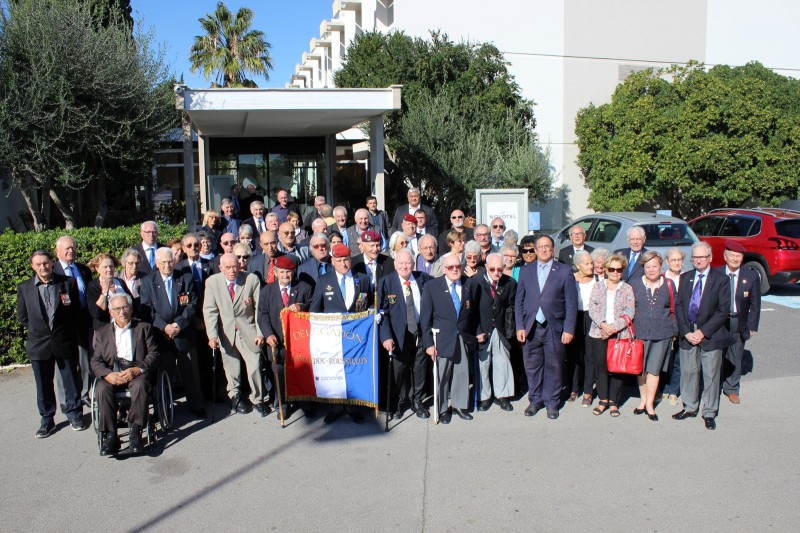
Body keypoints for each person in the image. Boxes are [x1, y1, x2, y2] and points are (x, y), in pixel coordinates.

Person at [17, 250, 86, 437]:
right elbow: (23, 317)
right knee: (43, 384)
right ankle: (47, 420)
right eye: (38, 264)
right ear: (33, 266)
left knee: (70, 380)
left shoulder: (67, 283)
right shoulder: (24, 288)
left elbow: (74, 313)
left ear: (51, 263)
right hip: (39, 344)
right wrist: (41, 331)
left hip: (63, 341)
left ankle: (74, 414)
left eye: (46, 263)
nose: (43, 267)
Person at [515, 235, 578, 420]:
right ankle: (535, 400)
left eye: (547, 247)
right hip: (531, 326)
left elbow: (571, 304)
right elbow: (519, 301)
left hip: (554, 326)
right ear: (534, 250)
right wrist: (520, 326)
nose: (543, 250)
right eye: (540, 247)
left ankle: (551, 402)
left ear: (553, 250)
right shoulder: (525, 271)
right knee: (532, 366)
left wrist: (569, 329)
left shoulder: (564, 271)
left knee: (554, 365)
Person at [309, 243, 373, 424]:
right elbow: (315, 310)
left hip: (355, 337)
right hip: (332, 337)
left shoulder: (363, 279)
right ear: (332, 261)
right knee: (334, 371)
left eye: (346, 260)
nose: (344, 264)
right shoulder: (324, 280)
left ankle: (353, 406)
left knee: (353, 370)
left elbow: (367, 305)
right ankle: (336, 406)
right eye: (339, 260)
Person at [139, 248, 206, 420]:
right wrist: (164, 327)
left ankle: (197, 405)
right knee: (163, 373)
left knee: (191, 372)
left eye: (170, 261)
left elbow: (192, 304)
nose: (167, 265)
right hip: (161, 336)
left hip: (183, 332)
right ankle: (163, 408)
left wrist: (178, 325)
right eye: (163, 262)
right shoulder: (147, 281)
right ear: (156, 263)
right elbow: (147, 309)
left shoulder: (185, 278)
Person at [91, 292, 159, 455]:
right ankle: (111, 436)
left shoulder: (143, 328)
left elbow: (153, 354)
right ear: (111, 311)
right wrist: (108, 374)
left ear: (131, 308)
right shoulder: (101, 333)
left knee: (141, 386)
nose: (122, 312)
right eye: (117, 308)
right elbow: (96, 360)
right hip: (112, 372)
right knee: (101, 388)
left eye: (125, 307)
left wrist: (138, 369)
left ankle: (135, 432)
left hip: (135, 371)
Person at [673, 242, 730, 430]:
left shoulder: (721, 279)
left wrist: (702, 332)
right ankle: (689, 406)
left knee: (711, 374)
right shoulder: (686, 277)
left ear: (710, 258)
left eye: (702, 257)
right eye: (695, 257)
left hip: (710, 334)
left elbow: (723, 311)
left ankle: (709, 412)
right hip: (688, 333)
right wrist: (686, 331)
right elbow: (679, 306)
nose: (698, 260)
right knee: (689, 372)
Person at [203, 253, 267, 416]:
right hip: (226, 331)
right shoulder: (212, 282)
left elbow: (259, 308)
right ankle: (235, 397)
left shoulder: (251, 279)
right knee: (231, 368)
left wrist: (260, 333)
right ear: (221, 268)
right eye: (228, 268)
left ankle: (257, 399)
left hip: (248, 330)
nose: (232, 271)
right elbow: (210, 310)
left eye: (235, 267)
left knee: (254, 366)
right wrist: (212, 335)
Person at [420, 253, 478, 424]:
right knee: (442, 376)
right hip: (442, 338)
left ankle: (460, 405)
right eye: (451, 267)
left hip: (462, 336)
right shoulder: (432, 287)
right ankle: (443, 408)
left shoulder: (469, 284)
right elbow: (425, 319)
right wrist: (428, 343)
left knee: (461, 373)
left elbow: (472, 313)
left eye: (458, 267)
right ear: (444, 269)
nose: (455, 270)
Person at [258, 255, 315, 420]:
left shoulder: (304, 287)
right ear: (275, 272)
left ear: (294, 272)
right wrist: (268, 335)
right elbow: (262, 315)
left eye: (288, 272)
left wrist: (301, 306)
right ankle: (281, 406)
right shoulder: (267, 291)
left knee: (302, 374)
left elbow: (315, 305)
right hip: (277, 342)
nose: (285, 276)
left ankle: (305, 403)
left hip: (299, 342)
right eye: (282, 272)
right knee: (280, 375)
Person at [378, 249, 431, 419]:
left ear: (413, 264)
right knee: (398, 372)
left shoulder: (424, 279)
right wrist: (386, 336)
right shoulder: (386, 282)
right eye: (400, 263)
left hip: (420, 333)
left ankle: (417, 401)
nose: (404, 266)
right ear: (395, 265)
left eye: (408, 263)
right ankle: (397, 402)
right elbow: (382, 312)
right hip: (398, 335)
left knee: (419, 369)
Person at [630, 251, 677, 420]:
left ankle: (650, 404)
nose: (651, 270)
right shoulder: (634, 284)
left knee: (654, 370)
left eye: (654, 266)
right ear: (643, 267)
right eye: (647, 266)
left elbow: (674, 309)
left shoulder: (669, 284)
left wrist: (674, 331)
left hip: (662, 333)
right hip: (639, 333)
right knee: (640, 370)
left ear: (660, 266)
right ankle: (642, 401)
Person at [587, 254, 635, 418]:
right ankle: (603, 400)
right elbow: (592, 309)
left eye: (618, 269)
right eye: (612, 269)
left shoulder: (627, 288)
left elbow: (630, 312)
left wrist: (613, 328)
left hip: (619, 334)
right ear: (606, 270)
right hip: (599, 332)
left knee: (617, 368)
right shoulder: (598, 287)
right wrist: (603, 325)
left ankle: (614, 402)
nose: (615, 272)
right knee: (600, 367)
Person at [718, 240, 760, 405]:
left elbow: (756, 303)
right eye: (732, 255)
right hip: (719, 321)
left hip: (738, 320)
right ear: (725, 257)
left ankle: (732, 389)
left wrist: (751, 326)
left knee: (735, 355)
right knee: (716, 355)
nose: (735, 259)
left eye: (738, 256)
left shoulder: (751, 276)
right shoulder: (716, 273)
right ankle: (714, 386)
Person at [53, 236, 92, 408]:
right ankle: (66, 400)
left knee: (85, 361)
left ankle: (83, 394)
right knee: (65, 365)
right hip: (63, 325)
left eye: (73, 248)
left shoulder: (83, 270)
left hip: (83, 321)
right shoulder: (52, 271)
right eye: (67, 248)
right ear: (58, 251)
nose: (71, 251)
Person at [474, 253, 517, 412]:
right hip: (482, 329)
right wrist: (477, 330)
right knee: (483, 364)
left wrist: (510, 329)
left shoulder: (510, 283)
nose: (496, 272)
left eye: (500, 269)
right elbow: (471, 310)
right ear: (486, 267)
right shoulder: (476, 282)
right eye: (492, 269)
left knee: (502, 362)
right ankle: (484, 397)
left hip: (501, 329)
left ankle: (502, 395)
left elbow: (512, 307)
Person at [571, 250, 597, 407]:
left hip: (592, 318)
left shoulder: (598, 279)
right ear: (578, 265)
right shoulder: (571, 279)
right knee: (574, 356)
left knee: (590, 356)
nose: (591, 266)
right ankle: (574, 388)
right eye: (587, 263)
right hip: (575, 318)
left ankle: (588, 391)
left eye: (591, 263)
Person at [662, 247, 685, 405]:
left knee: (678, 358)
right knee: (663, 358)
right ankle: (663, 387)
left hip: (683, 322)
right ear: (667, 261)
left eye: (679, 260)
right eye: (673, 260)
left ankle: (674, 390)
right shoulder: (661, 278)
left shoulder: (687, 277)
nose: (677, 263)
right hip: (665, 323)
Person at [87, 253, 134, 331]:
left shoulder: (120, 282)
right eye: (105, 267)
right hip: (105, 331)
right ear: (97, 268)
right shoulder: (93, 286)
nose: (109, 269)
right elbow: (96, 313)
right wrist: (104, 292)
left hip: (125, 328)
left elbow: (132, 304)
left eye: (111, 266)